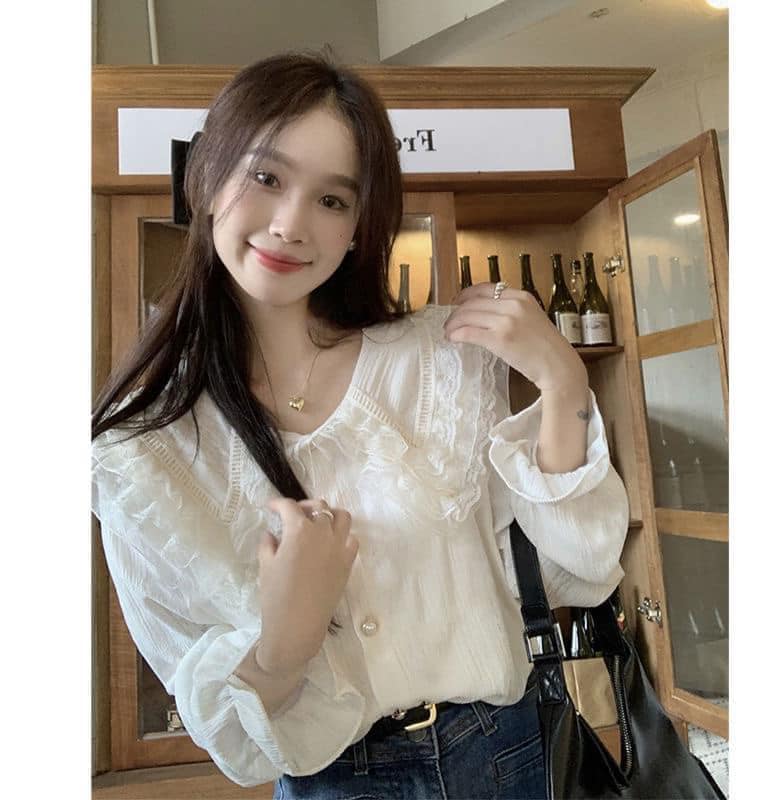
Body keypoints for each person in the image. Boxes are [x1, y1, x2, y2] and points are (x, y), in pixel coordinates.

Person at [91, 52, 629, 798]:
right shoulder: (146, 456)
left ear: (357, 228)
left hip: (505, 754)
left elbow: (581, 572)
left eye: (332, 199)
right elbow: (235, 745)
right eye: (266, 177)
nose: (290, 224)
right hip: (333, 782)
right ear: (207, 180)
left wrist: (564, 380)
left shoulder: (442, 361)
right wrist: (285, 644)